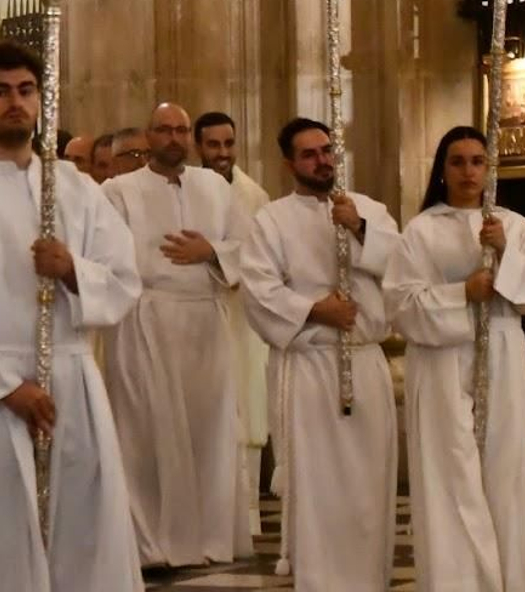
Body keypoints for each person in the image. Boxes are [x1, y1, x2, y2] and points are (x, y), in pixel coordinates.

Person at [0, 43, 143, 591]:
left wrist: (71, 270)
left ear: (41, 98)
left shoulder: (77, 190)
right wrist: (5, 388)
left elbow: (123, 279)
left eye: (25, 90)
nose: (15, 103)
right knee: (0, 536)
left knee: (87, 532)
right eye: (0, 92)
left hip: (71, 378)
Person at [384, 126, 525, 591]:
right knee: (451, 470)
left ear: (489, 167)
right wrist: (460, 292)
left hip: (501, 350)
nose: (468, 170)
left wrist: (504, 253)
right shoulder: (421, 230)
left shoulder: (512, 225)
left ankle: (514, 577)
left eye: (477, 161)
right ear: (442, 170)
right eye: (457, 161)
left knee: (506, 467)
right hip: (442, 358)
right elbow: (400, 305)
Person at [237, 117, 400, 589]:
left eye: (327, 150)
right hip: (309, 363)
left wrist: (360, 227)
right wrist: (315, 309)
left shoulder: (369, 209)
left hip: (364, 360)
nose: (322, 160)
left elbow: (405, 267)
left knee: (369, 481)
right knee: (318, 484)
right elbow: (258, 290)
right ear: (289, 163)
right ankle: (322, 578)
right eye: (308, 154)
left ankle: (370, 577)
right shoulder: (272, 219)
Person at [101, 104, 248, 568]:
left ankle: (210, 537)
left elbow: (249, 246)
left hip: (205, 319)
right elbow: (107, 252)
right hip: (145, 320)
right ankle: (150, 542)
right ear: (148, 136)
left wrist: (212, 250)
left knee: (208, 430)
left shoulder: (216, 188)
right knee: (145, 435)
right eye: (164, 130)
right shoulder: (118, 190)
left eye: (182, 130)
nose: (174, 138)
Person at [194, 109, 273, 534]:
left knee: (244, 416)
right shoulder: (186, 189)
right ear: (198, 147)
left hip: (241, 319)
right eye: (213, 145)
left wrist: (212, 253)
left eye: (228, 144)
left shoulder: (254, 196)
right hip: (195, 317)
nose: (222, 153)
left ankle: (245, 520)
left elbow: (257, 257)